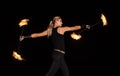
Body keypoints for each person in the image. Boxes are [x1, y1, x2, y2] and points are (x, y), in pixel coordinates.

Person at [20, 16, 90, 76]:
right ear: (56, 21)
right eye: (60, 21)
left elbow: (37, 35)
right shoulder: (60, 29)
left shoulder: (49, 31)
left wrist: (25, 37)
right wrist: (84, 26)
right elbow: (74, 27)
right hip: (58, 55)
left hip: (59, 55)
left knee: (66, 73)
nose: (62, 23)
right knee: (50, 74)